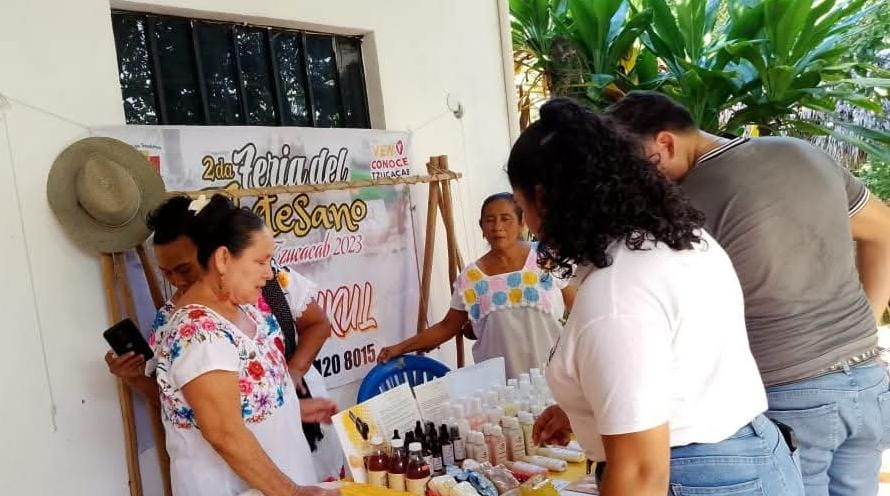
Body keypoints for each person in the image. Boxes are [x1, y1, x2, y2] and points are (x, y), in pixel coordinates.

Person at [512, 99, 803, 495]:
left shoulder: (616, 293)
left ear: (543, 199)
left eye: (519, 206)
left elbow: (641, 475)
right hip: (744, 456)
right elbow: (676, 362)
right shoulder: (679, 241)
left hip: (695, 475)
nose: (525, 224)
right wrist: (587, 409)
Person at [606, 91, 890, 495]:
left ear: (665, 143)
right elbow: (884, 231)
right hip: (869, 381)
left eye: (636, 167)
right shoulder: (803, 153)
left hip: (792, 392)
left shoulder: (687, 202)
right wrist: (863, 326)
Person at [104, 195, 343, 482]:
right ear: (222, 258)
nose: (270, 272)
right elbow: (223, 432)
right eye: (260, 261)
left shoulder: (242, 305)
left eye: (182, 268)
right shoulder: (198, 333)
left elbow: (237, 400)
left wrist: (288, 409)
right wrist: (291, 492)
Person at [377, 193, 575, 378]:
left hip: (553, 379)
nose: (497, 226)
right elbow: (447, 326)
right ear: (481, 226)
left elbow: (577, 308)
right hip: (499, 389)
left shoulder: (548, 259)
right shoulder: (471, 278)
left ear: (522, 222)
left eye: (506, 218)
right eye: (490, 220)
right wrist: (400, 348)